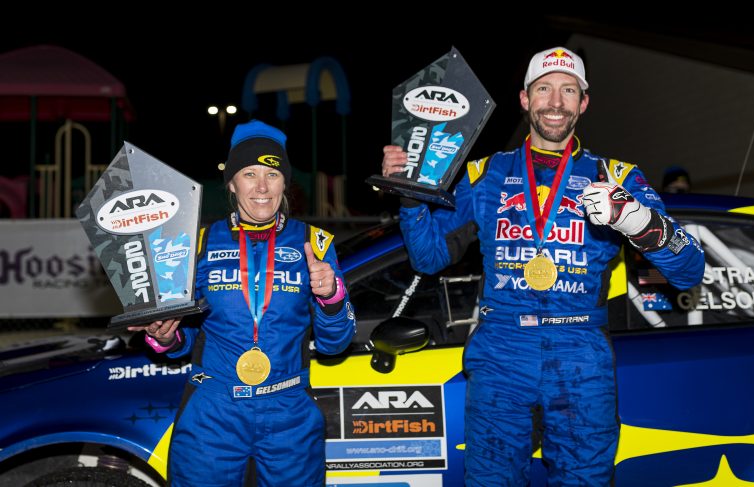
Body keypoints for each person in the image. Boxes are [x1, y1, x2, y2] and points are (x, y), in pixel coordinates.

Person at [381, 47, 705, 485]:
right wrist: (408, 195)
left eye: (568, 90)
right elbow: (429, 256)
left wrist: (636, 219)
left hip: (580, 351)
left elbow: (689, 270)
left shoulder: (616, 176)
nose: (556, 102)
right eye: (544, 89)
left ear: (583, 103)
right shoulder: (484, 175)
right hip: (502, 348)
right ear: (524, 98)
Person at [129, 120, 356, 486]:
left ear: (285, 183)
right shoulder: (196, 243)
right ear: (232, 184)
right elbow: (182, 340)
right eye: (250, 174)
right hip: (213, 410)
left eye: (272, 175)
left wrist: (330, 297)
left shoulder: (315, 244)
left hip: (288, 411)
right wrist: (166, 336)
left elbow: (336, 343)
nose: (262, 187)